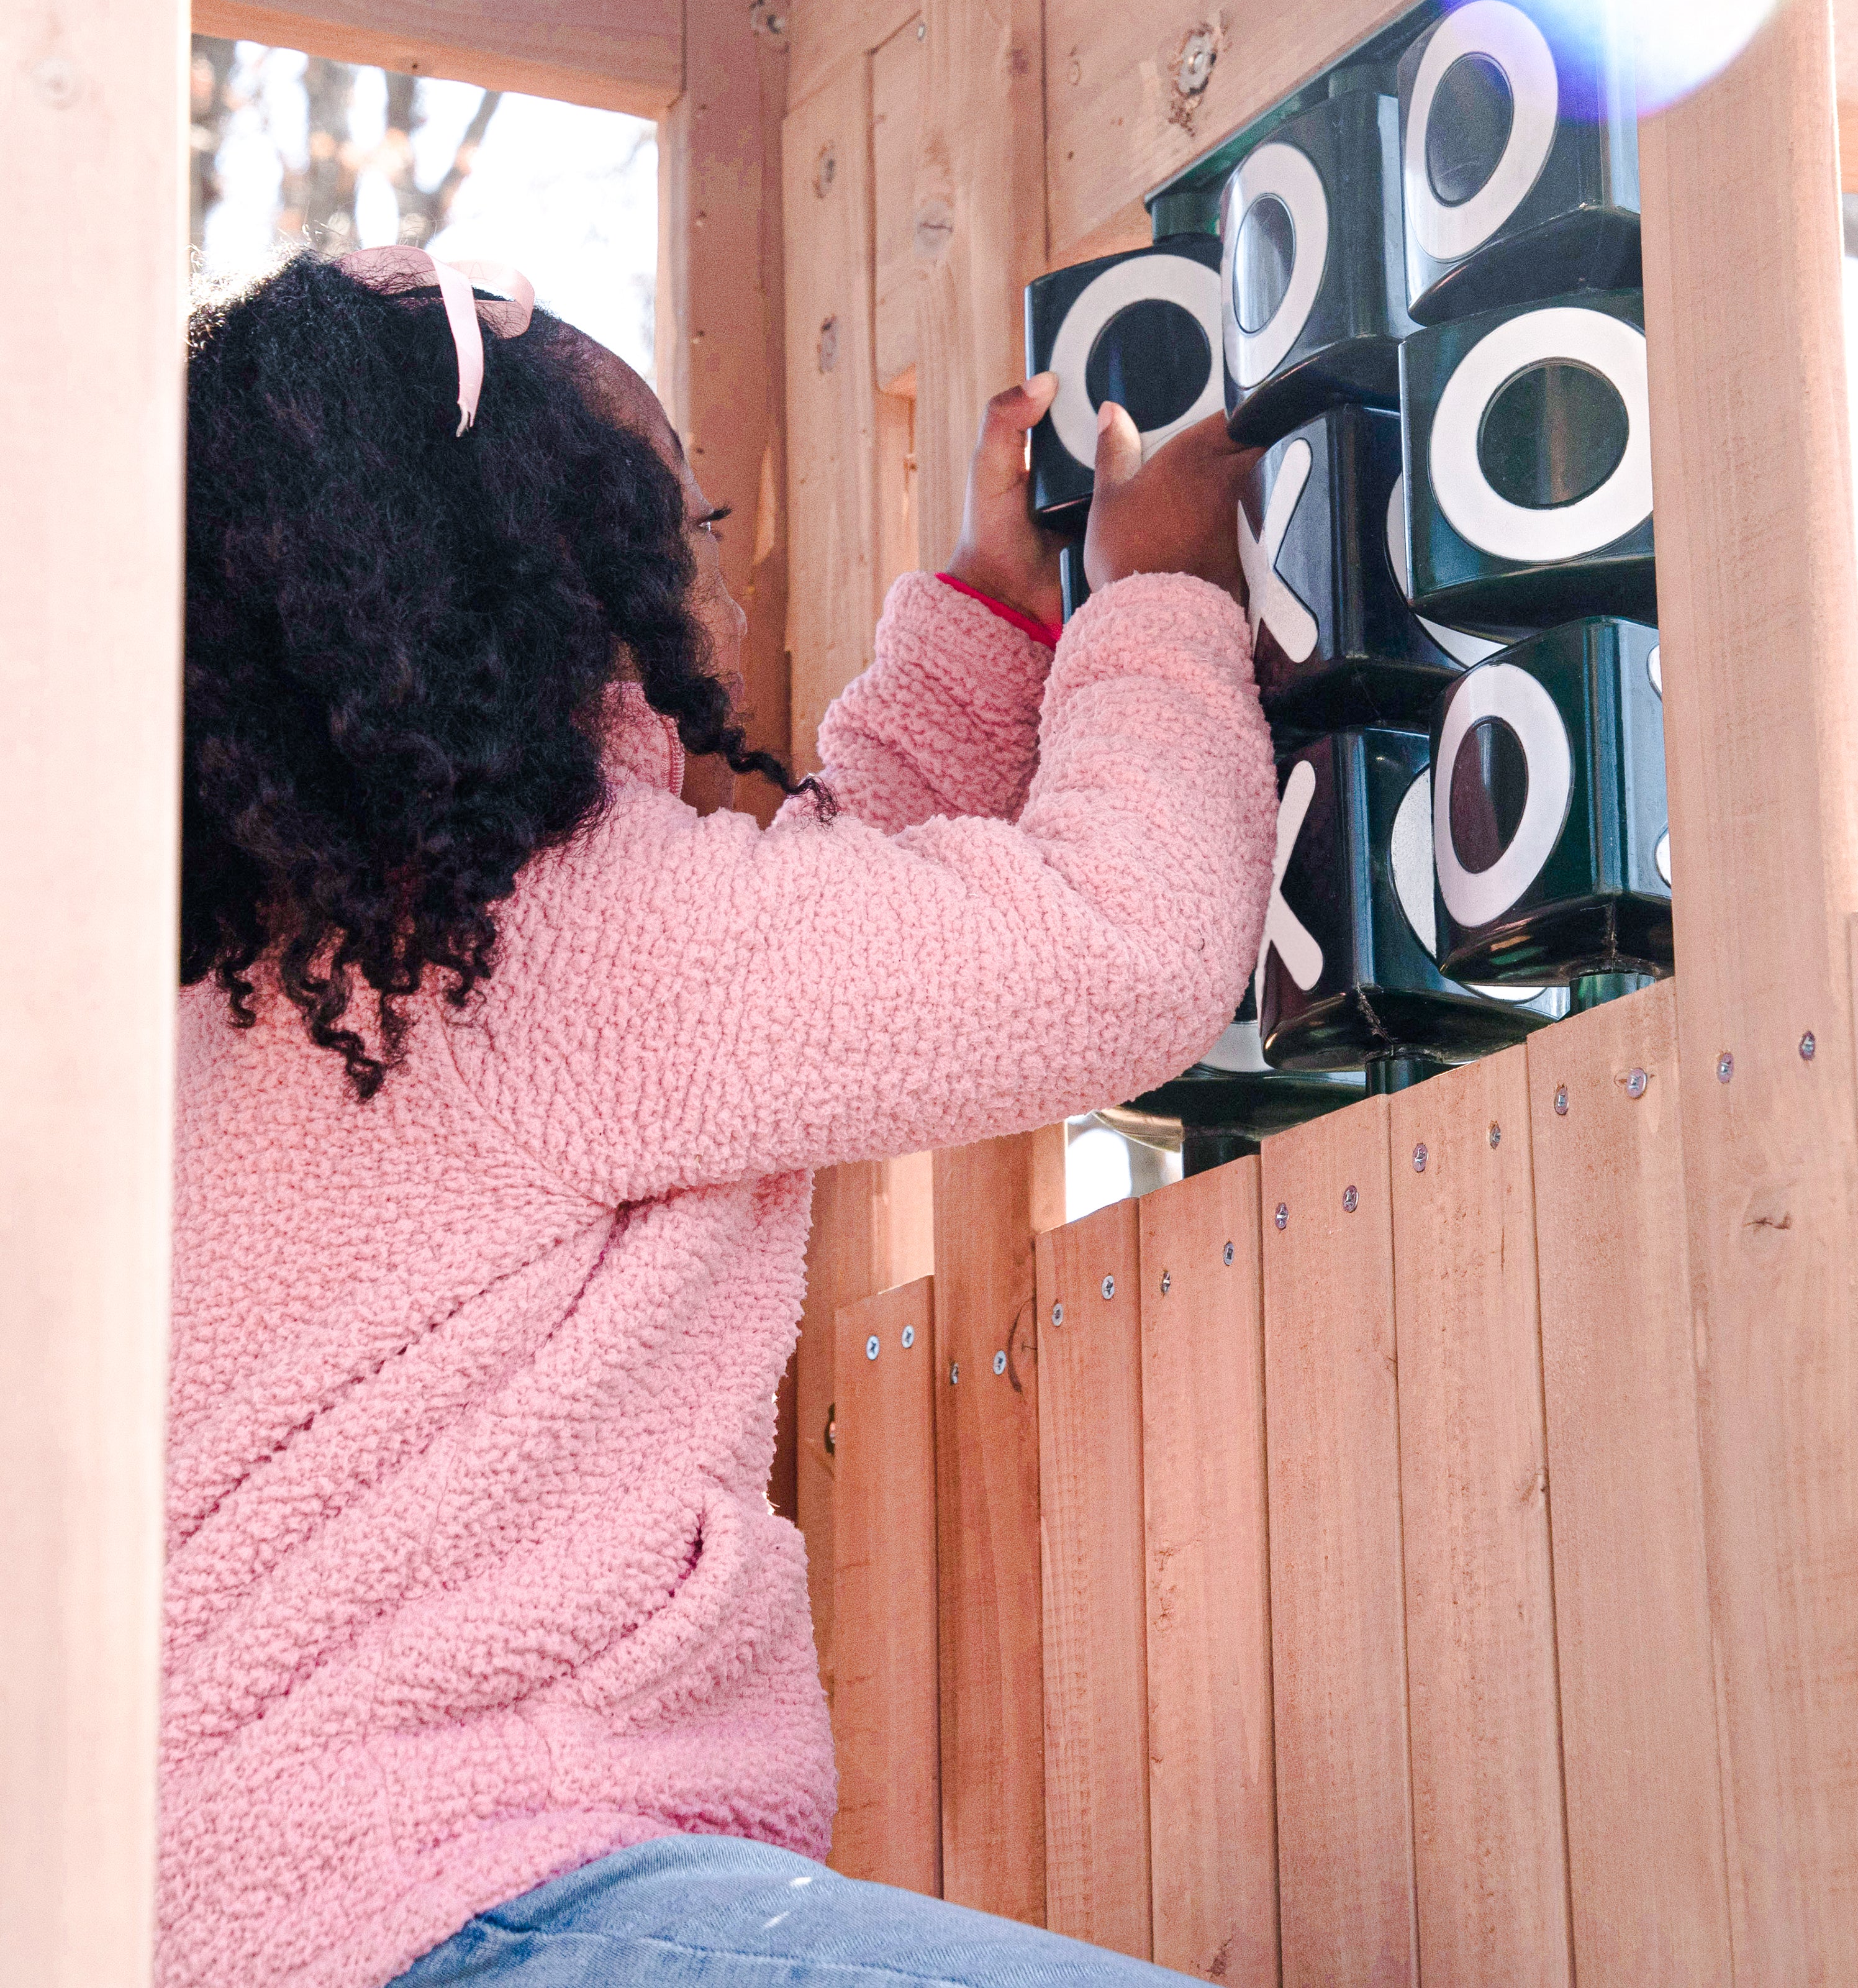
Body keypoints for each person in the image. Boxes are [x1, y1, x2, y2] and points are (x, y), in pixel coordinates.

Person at [166, 247, 1272, 1988]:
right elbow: (1128, 957)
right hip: (463, 1895)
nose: (733, 580)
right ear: (550, 580)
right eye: (685, 529)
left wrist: (991, 632)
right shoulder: (564, 937)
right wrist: (1159, 605)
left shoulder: (313, 967)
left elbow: (782, 968)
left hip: (262, 1908)